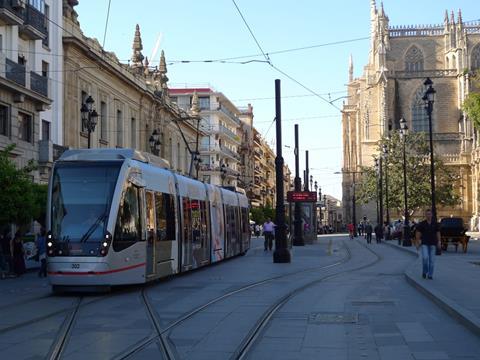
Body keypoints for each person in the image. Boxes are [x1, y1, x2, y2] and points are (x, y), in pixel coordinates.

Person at [415, 209, 441, 280]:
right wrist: (417, 242)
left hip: (433, 244)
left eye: (430, 214)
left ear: (432, 215)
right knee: (425, 258)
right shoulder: (422, 224)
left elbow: (438, 233)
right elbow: (418, 233)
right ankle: (424, 271)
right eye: (427, 214)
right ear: (425, 215)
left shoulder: (435, 223)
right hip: (424, 244)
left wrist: (439, 241)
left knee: (432, 261)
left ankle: (430, 274)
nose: (428, 215)